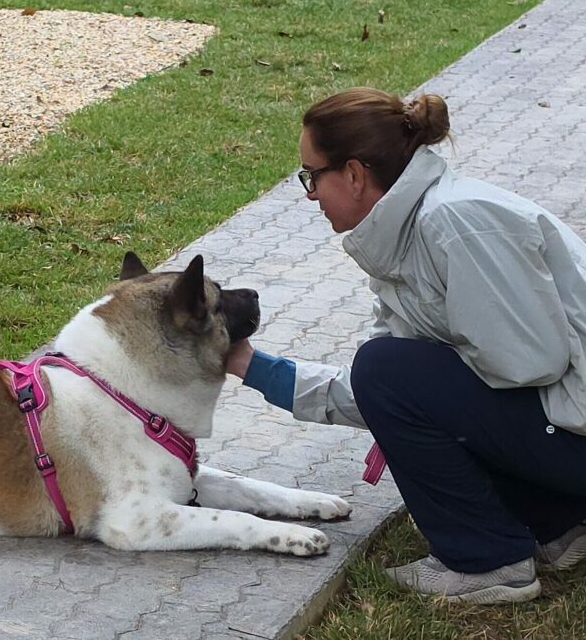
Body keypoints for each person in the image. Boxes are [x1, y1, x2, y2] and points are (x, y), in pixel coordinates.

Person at [225, 86, 586, 605]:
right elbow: (385, 395)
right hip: (567, 427)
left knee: (389, 369)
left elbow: (531, 361)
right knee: (390, 372)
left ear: (354, 174)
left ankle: (488, 562)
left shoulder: (454, 222)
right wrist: (249, 365)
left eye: (311, 175)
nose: (309, 194)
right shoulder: (407, 237)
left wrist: (438, 384)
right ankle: (558, 523)